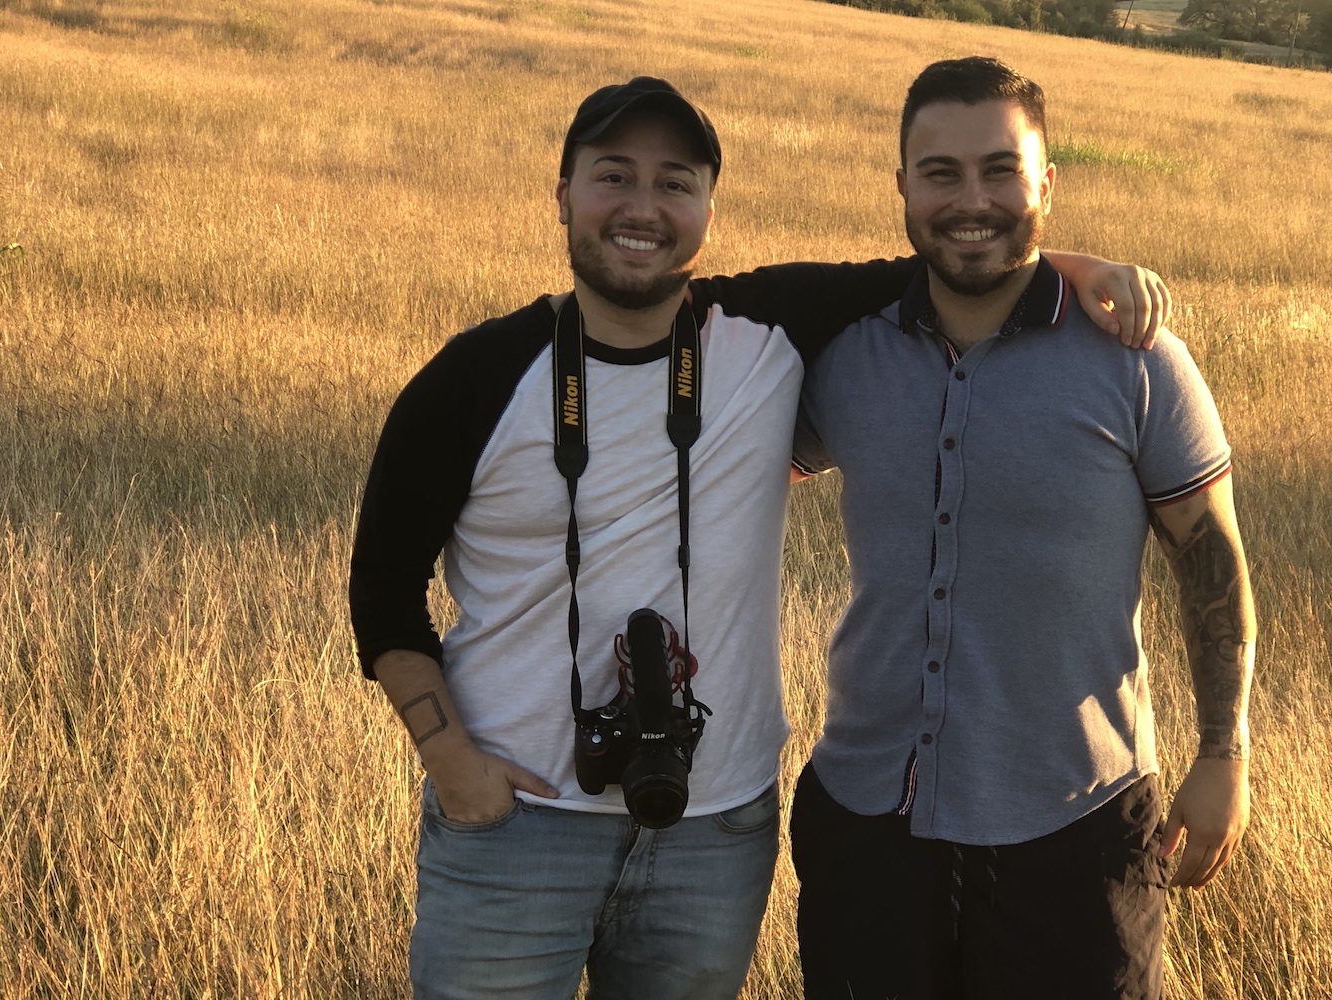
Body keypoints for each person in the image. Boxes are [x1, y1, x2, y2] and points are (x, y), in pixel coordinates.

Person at [349, 75, 1169, 1000]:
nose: (642, 209)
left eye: (675, 183)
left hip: (715, 832)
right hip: (516, 826)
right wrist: (454, 768)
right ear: (563, 195)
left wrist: (1083, 269)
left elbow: (961, 250)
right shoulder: (475, 376)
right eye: (613, 177)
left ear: (706, 208)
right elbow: (381, 592)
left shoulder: (766, 329)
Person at [790, 57, 1256, 1000]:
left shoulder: (1139, 365)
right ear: (902, 187)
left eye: (1001, 169)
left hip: (1075, 830)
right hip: (868, 819)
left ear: (1047, 181)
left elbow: (1211, 566)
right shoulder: (843, 354)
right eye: (941, 172)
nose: (972, 199)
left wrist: (1223, 754)